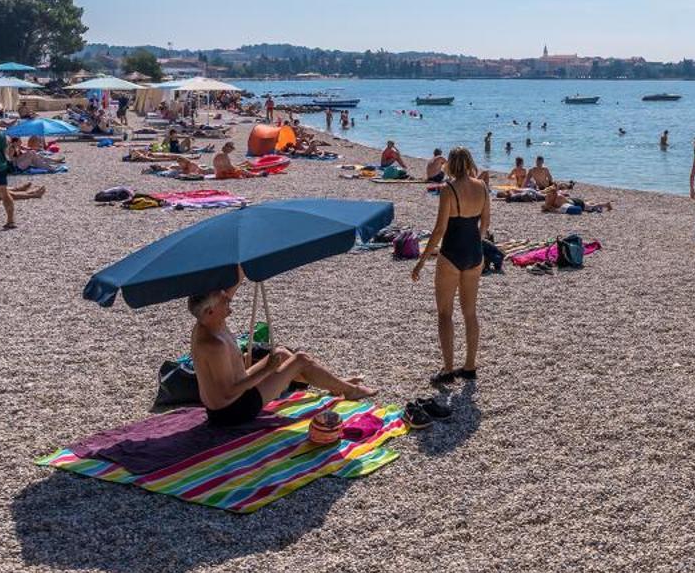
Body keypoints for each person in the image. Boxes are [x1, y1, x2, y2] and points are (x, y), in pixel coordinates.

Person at [189, 282, 373, 426]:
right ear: (210, 311)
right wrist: (267, 370)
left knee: (282, 353)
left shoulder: (209, 320)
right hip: (232, 411)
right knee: (300, 360)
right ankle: (349, 391)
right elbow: (228, 391)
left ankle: (336, 385)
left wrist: (247, 263)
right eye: (225, 302)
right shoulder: (214, 345)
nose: (230, 302)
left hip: (236, 392)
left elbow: (231, 287)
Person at [414, 147, 488, 387]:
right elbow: (485, 224)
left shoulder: (448, 190)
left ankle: (447, 370)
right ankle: (469, 367)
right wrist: (476, 245)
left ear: (451, 165)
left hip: (451, 254)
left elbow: (439, 230)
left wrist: (422, 260)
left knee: (445, 314)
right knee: (470, 313)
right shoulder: (482, 187)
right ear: (469, 163)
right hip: (474, 253)